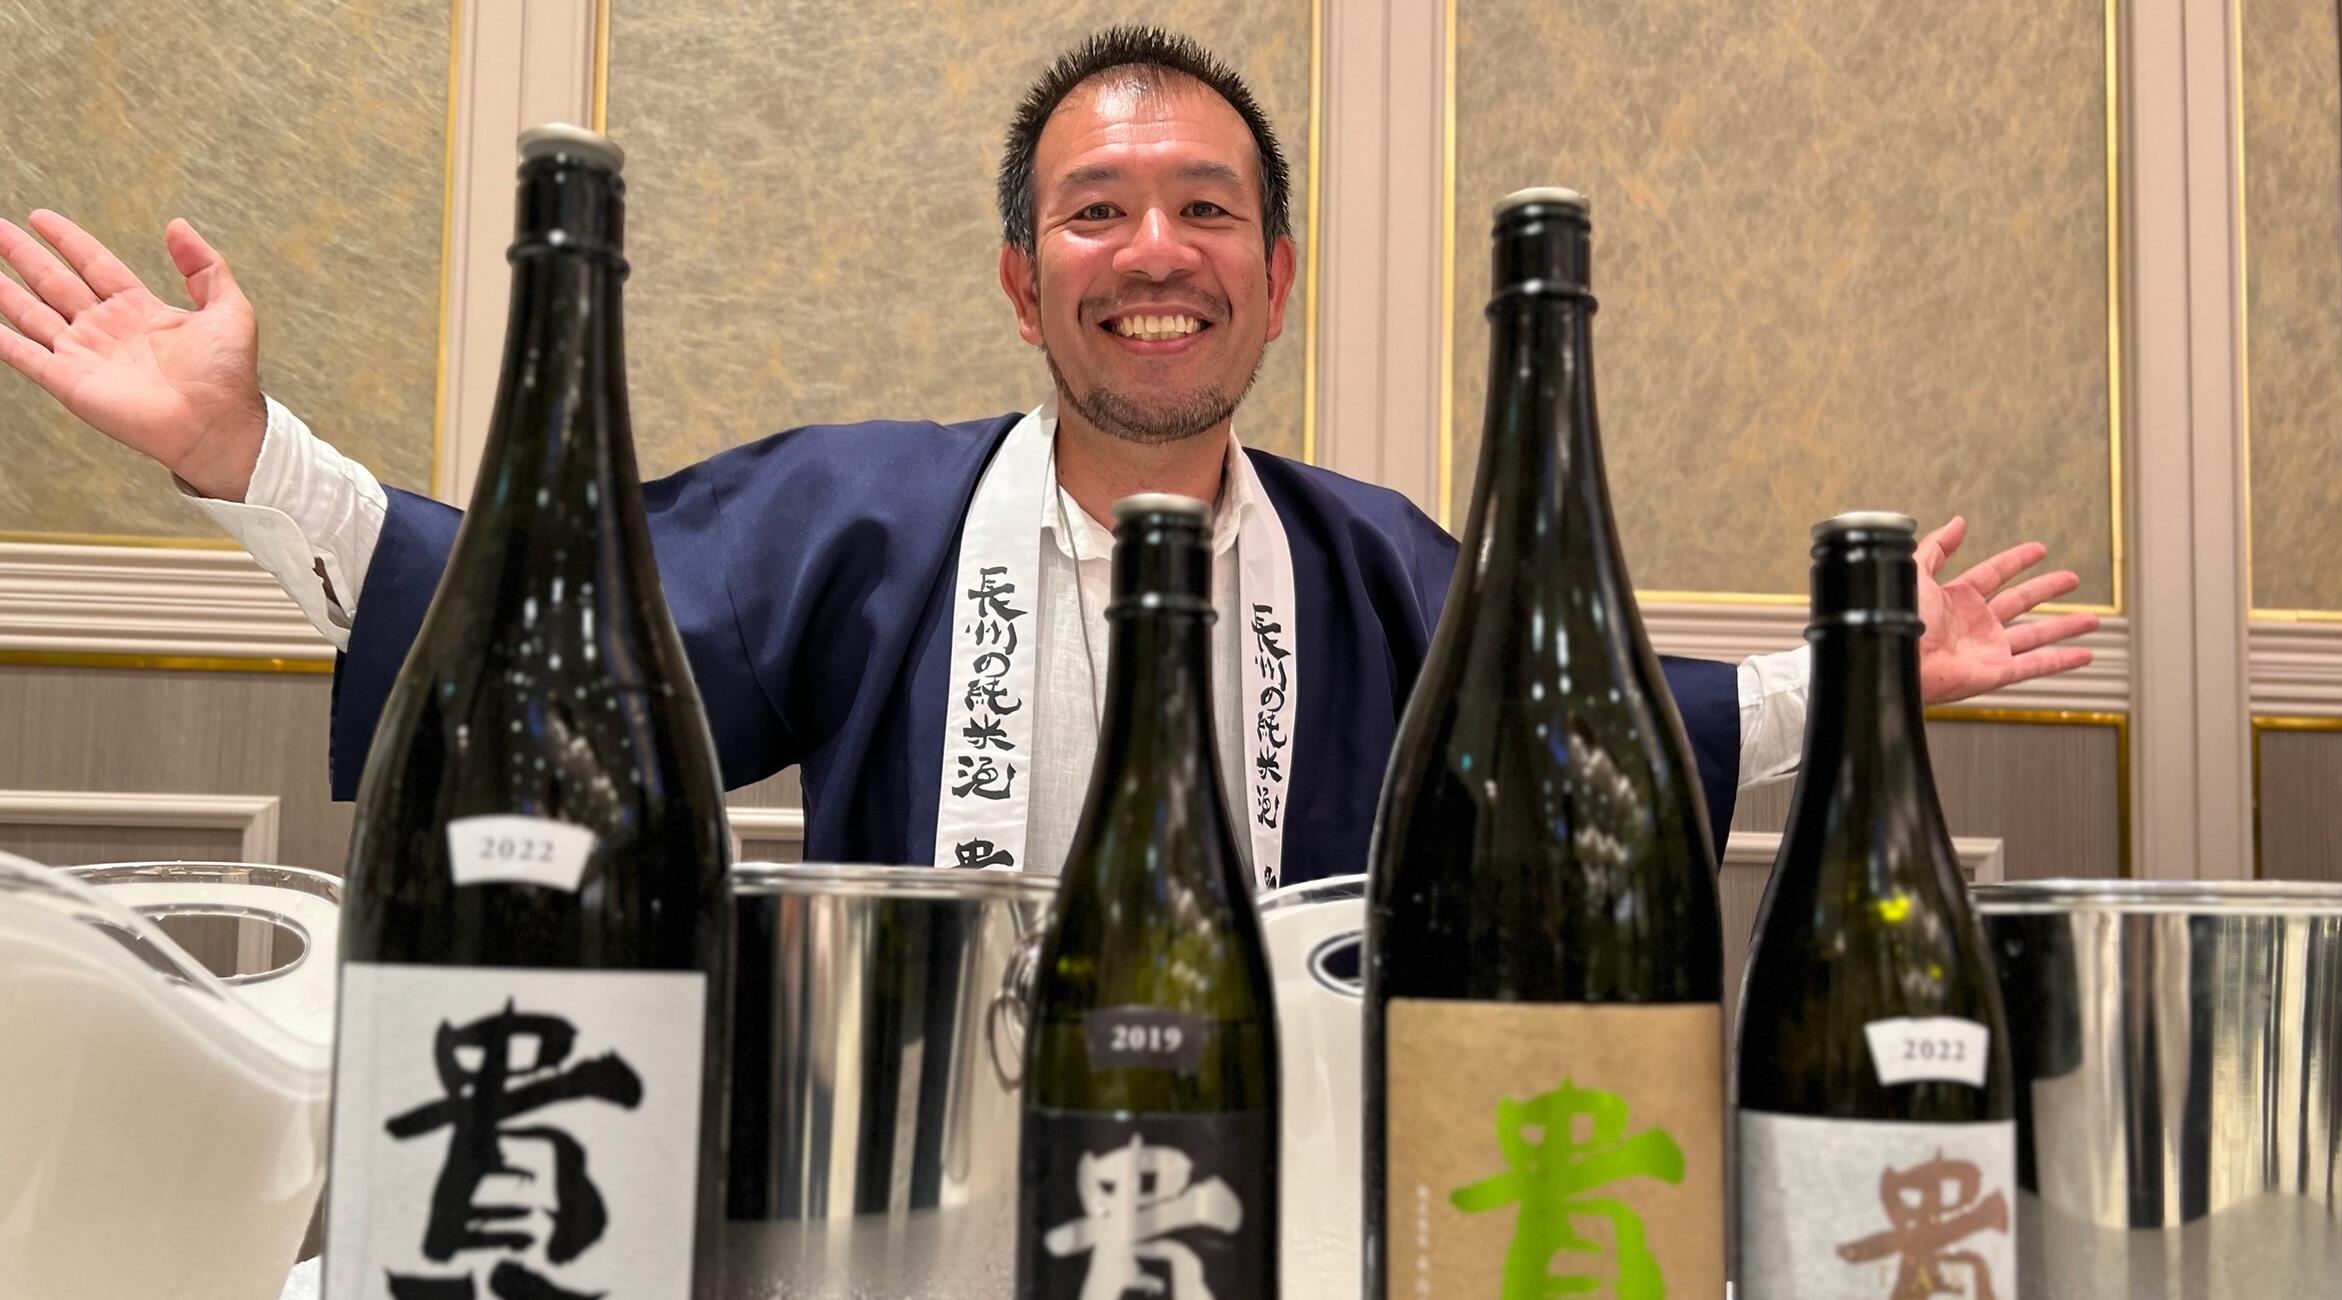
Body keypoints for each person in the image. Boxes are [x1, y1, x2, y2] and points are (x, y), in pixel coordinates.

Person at [0, 27, 2096, 889]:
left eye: (1204, 212)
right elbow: (546, 643)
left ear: (1273, 280)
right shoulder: (861, 520)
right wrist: (246, 454)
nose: (1152, 254)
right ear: (1024, 280)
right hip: (917, 1184)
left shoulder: (1373, 561)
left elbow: (1600, 727)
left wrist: (1868, 669)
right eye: (1097, 213)